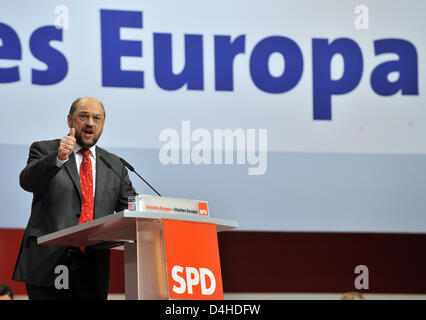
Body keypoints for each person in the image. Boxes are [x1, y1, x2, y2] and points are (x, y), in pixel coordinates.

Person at [12, 97, 135, 300]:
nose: (90, 123)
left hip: (93, 264)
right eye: (84, 116)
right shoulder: (45, 150)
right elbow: (28, 182)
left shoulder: (114, 164)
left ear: (103, 124)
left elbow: (130, 207)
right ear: (70, 120)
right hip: (48, 261)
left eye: (97, 118)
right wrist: (59, 158)